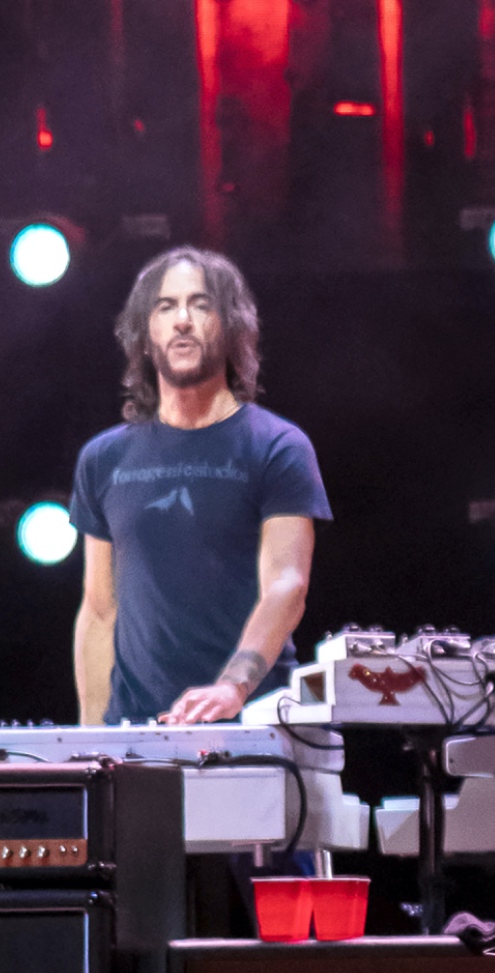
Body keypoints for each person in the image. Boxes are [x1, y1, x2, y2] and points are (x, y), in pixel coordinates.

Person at [70, 247, 331, 726]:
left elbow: (287, 585)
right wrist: (89, 741)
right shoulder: (104, 459)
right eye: (165, 306)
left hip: (253, 728)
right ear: (146, 336)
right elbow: (100, 610)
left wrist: (232, 688)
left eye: (201, 304)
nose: (182, 320)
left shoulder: (277, 446)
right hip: (138, 734)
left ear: (231, 328)